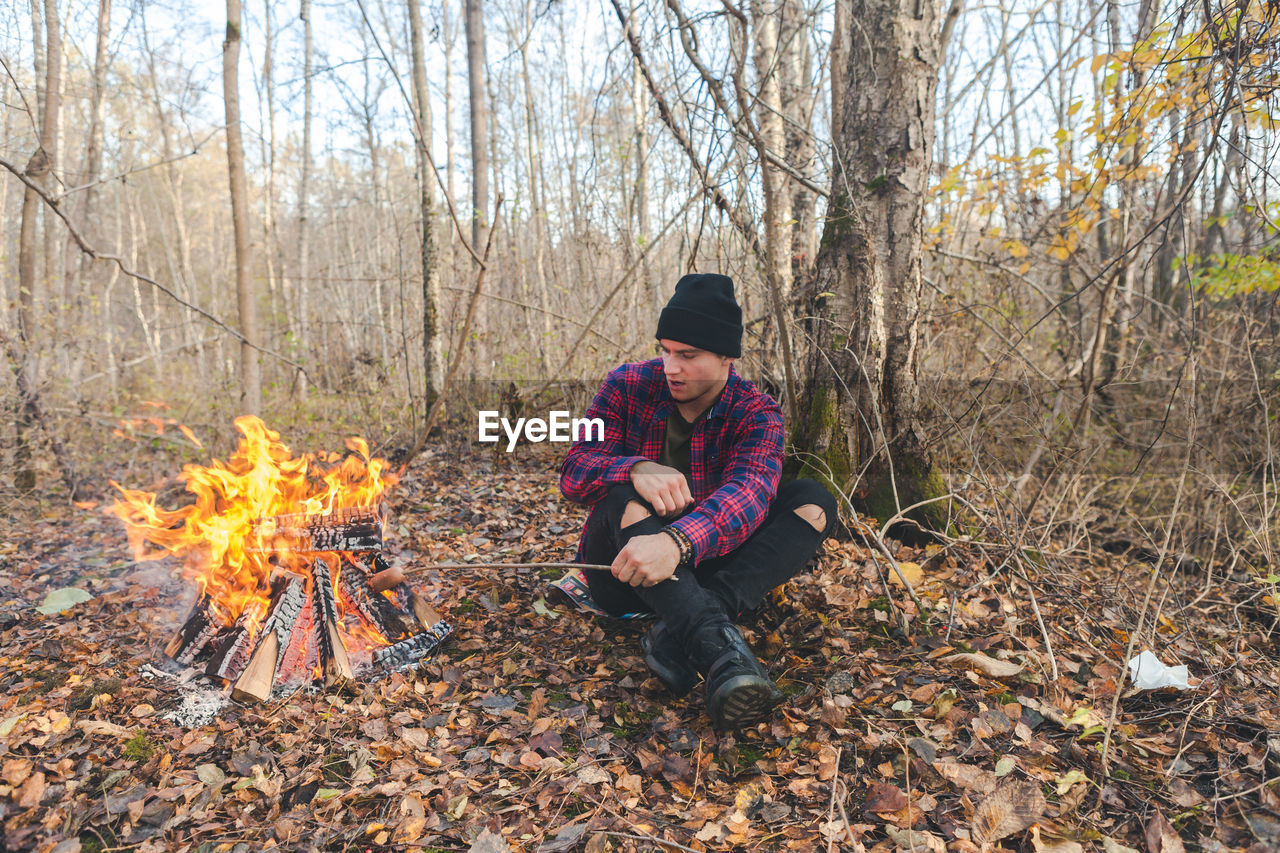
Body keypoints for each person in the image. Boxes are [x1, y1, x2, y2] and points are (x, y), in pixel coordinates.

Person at [559, 273, 837, 728]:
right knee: (619, 497)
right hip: (625, 569)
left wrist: (677, 543)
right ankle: (722, 656)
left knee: (813, 501)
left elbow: (749, 494)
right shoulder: (628, 384)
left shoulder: (755, 411)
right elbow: (574, 470)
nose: (671, 366)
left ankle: (681, 627)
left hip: (702, 565)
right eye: (665, 350)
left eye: (687, 356)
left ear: (727, 356)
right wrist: (633, 467)